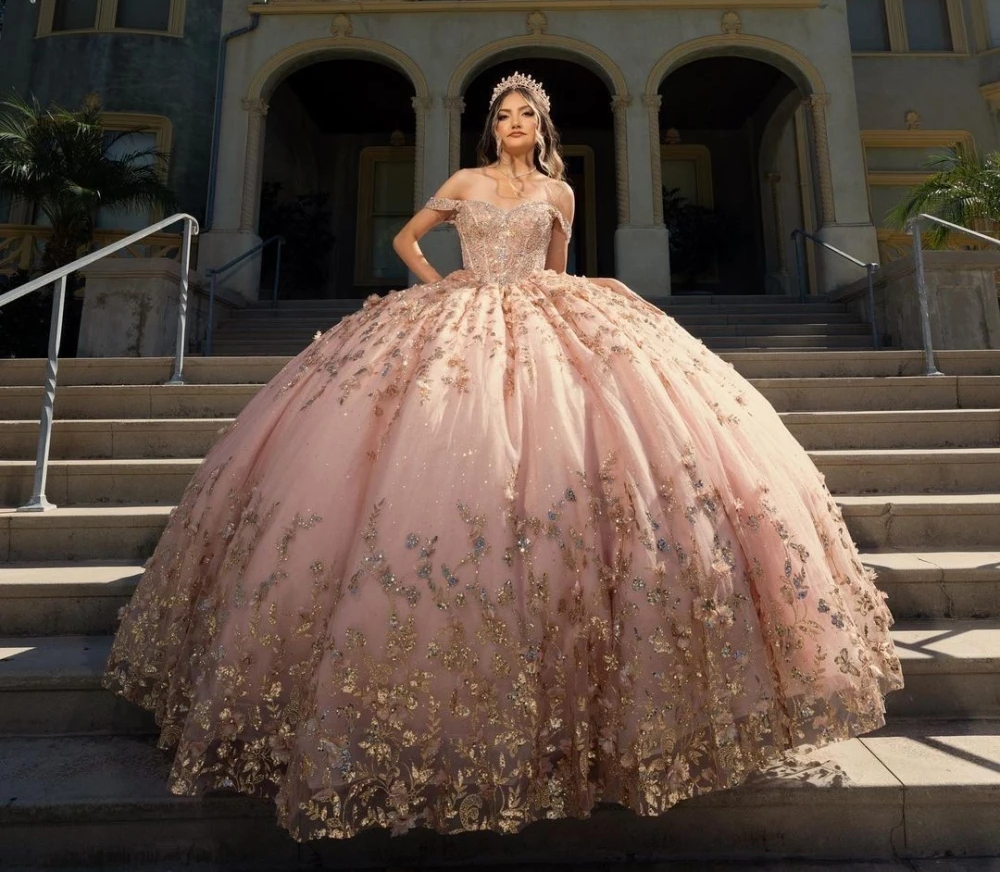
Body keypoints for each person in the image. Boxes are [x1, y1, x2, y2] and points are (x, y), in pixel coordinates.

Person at [105, 71, 902, 842]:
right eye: (504, 114)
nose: (514, 124)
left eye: (526, 115)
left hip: (544, 314)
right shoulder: (464, 179)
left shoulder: (560, 192)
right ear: (492, 127)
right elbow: (405, 238)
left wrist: (573, 294)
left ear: (541, 128)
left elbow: (557, 269)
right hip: (464, 311)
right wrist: (439, 281)